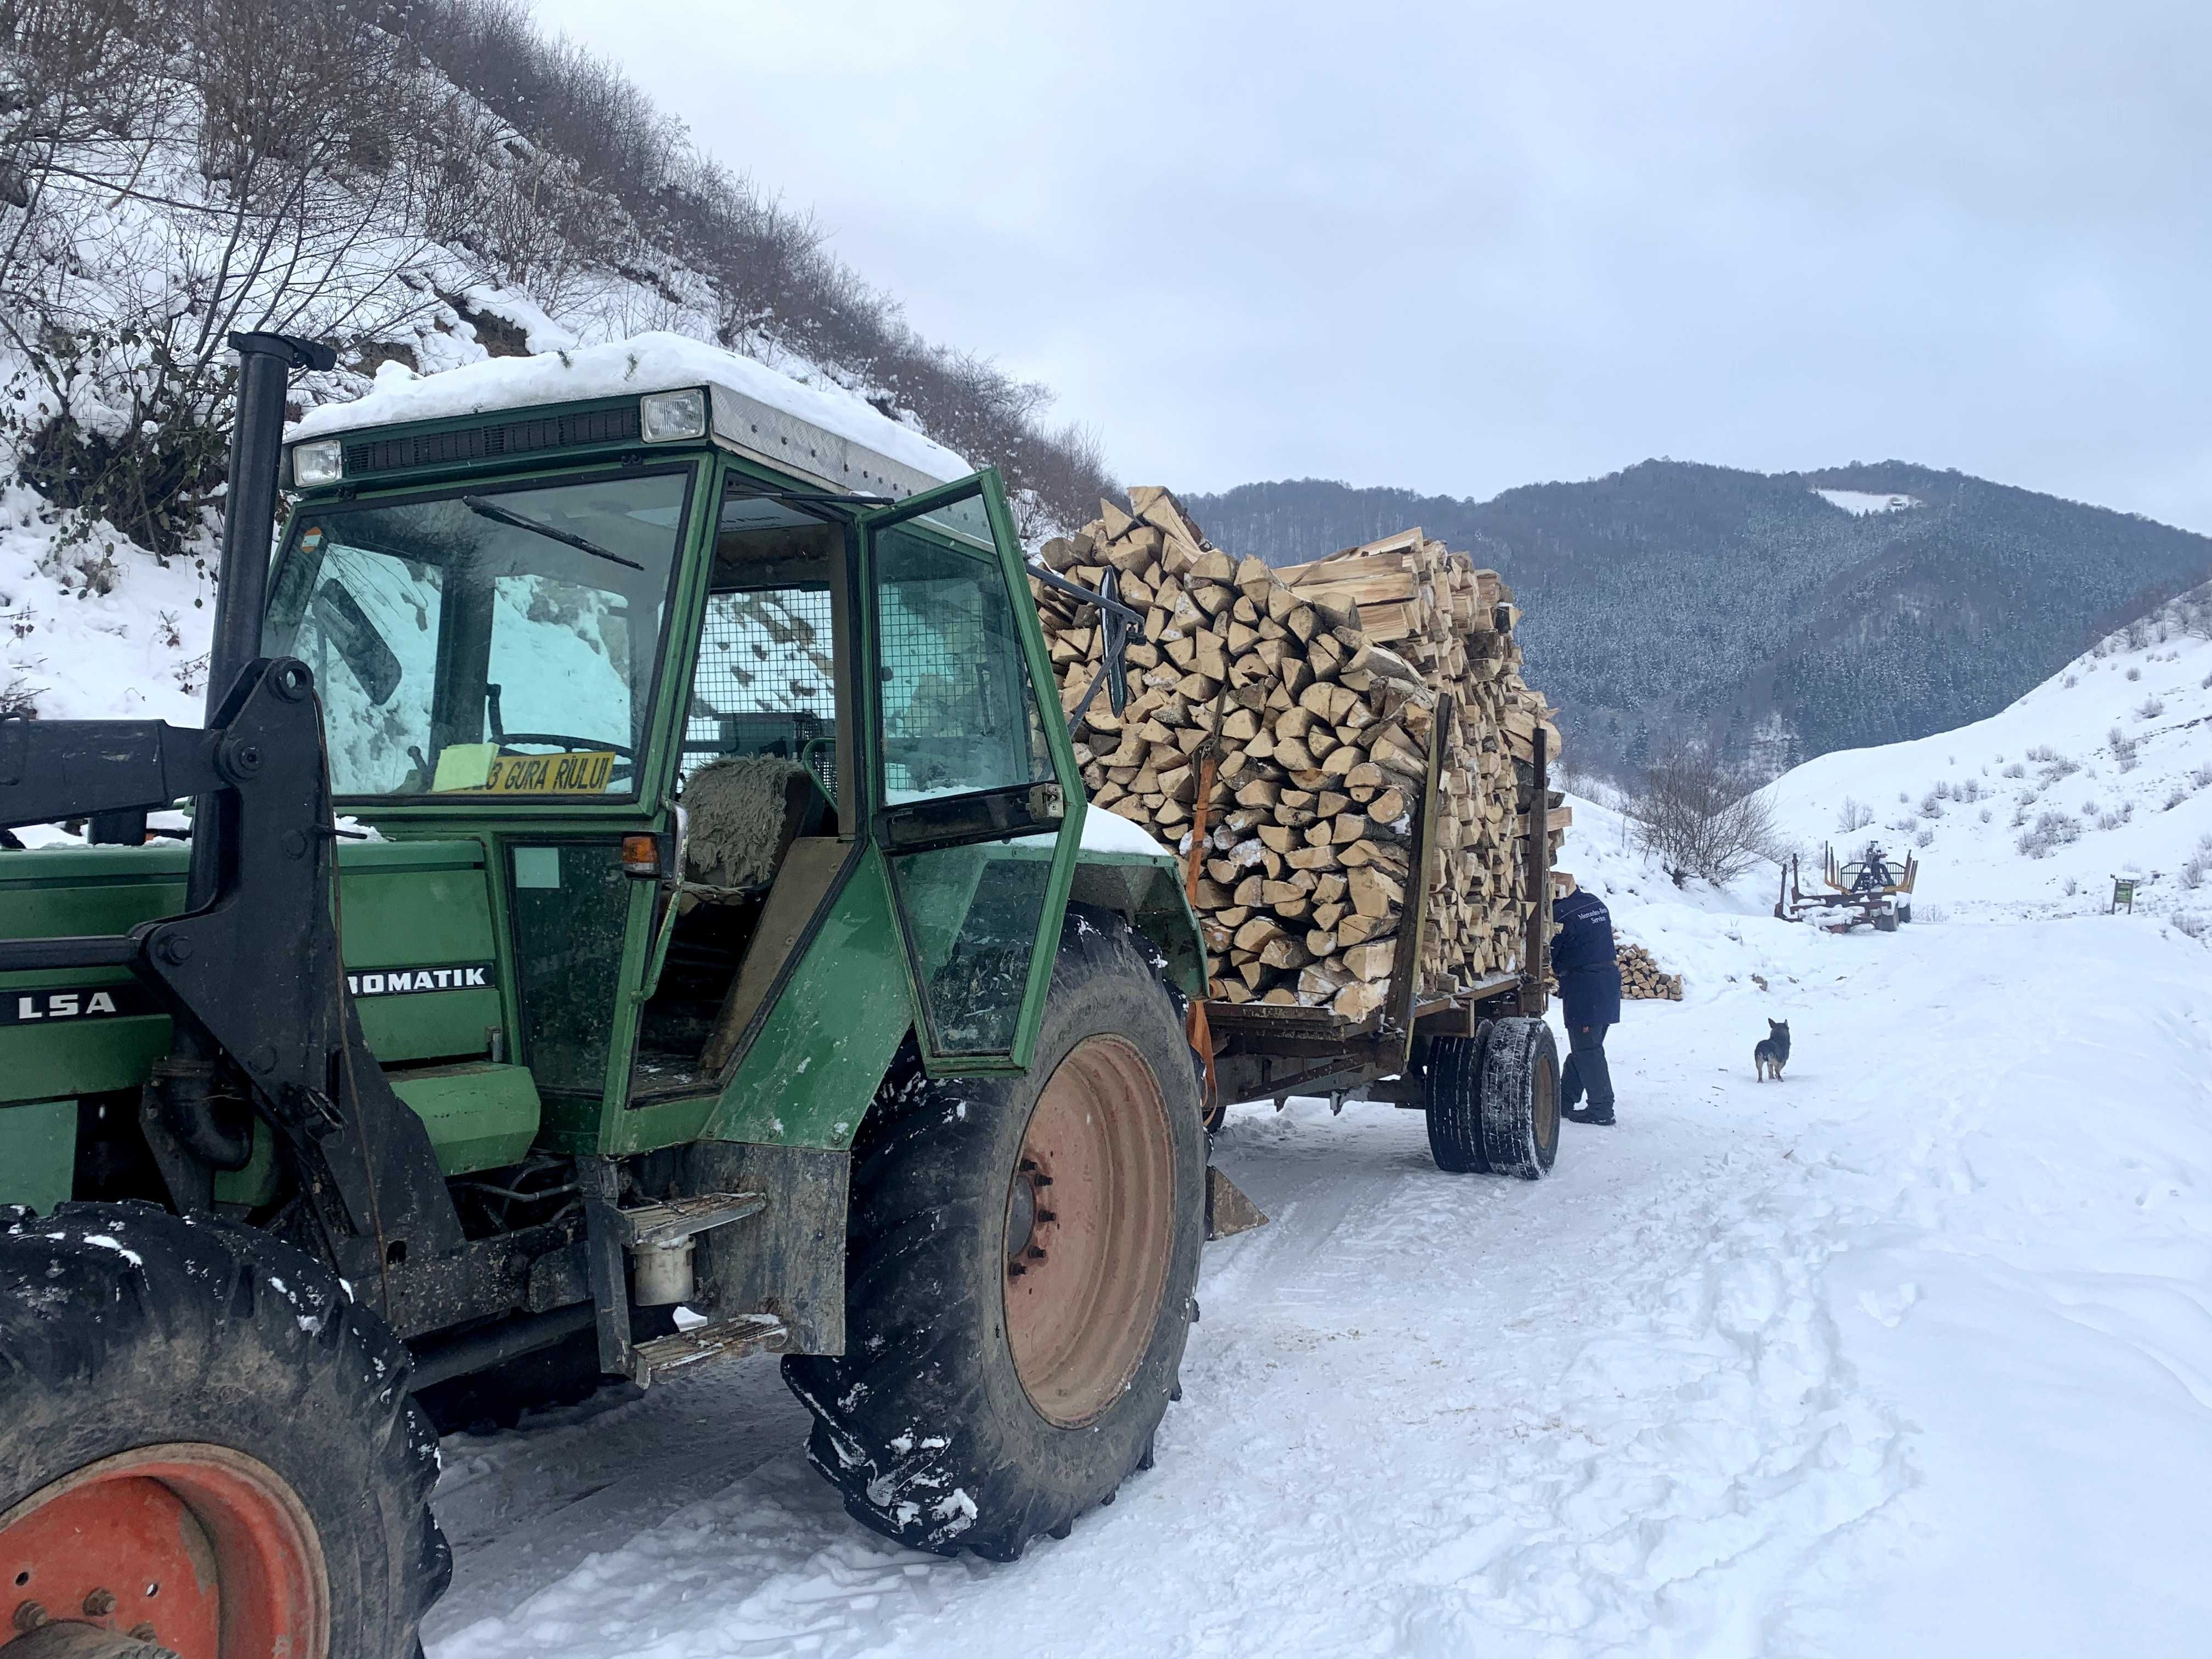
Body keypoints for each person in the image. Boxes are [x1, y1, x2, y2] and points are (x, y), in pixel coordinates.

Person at [1550, 876, 1621, 1126]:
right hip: (1608, 981)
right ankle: (1564, 1100)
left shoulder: (1559, 914)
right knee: (1585, 1047)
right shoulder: (1595, 902)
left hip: (1585, 985)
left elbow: (1552, 953)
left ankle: (1602, 1109)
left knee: (1588, 1050)